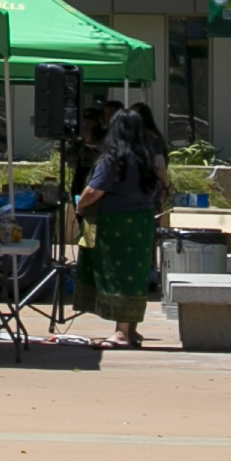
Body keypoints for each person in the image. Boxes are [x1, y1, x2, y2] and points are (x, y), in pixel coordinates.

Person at [70, 99, 162, 345]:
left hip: (116, 223)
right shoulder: (146, 157)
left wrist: (79, 205)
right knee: (135, 274)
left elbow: (94, 191)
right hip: (142, 223)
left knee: (118, 273)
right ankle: (130, 330)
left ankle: (121, 333)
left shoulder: (113, 158)